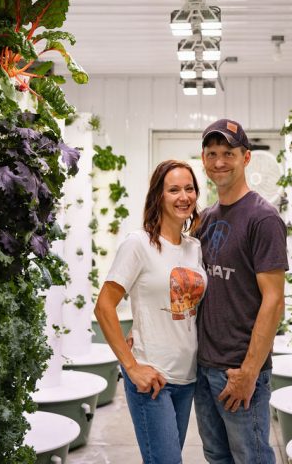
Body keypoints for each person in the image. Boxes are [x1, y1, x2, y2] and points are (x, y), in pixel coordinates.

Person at [95, 160, 207, 464]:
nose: (183, 196)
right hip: (152, 376)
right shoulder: (138, 244)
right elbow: (104, 306)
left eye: (189, 188)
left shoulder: (195, 247)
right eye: (173, 189)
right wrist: (131, 367)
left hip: (187, 377)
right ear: (158, 196)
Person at [194, 119, 288, 464]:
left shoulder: (263, 218)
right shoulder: (205, 218)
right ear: (203, 160)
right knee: (216, 456)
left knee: (253, 458)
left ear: (246, 158)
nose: (219, 161)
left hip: (238, 368)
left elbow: (274, 301)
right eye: (212, 153)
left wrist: (249, 372)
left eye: (228, 153)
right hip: (204, 366)